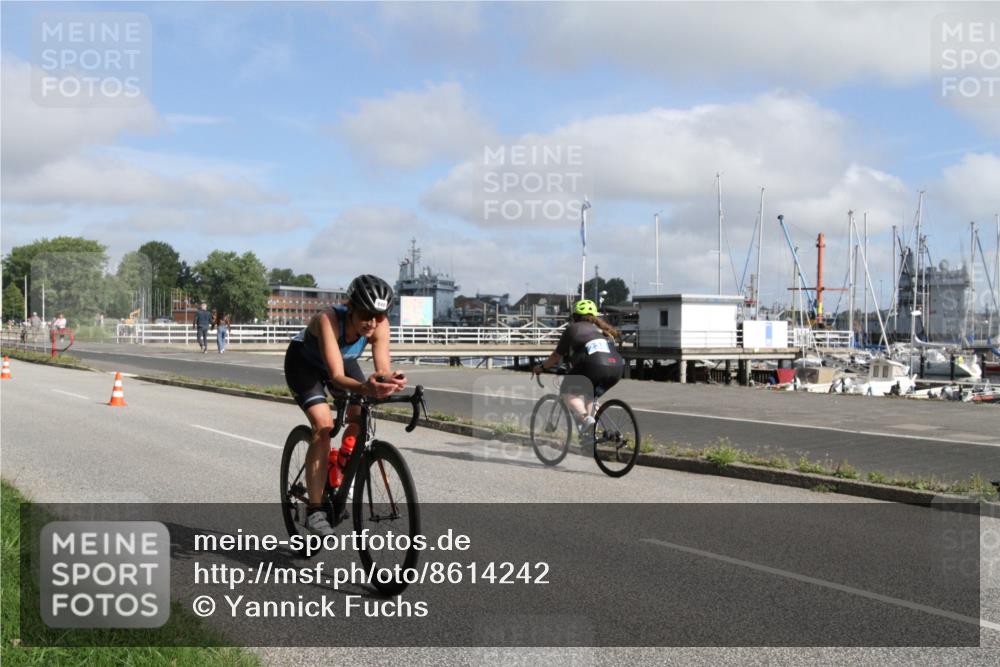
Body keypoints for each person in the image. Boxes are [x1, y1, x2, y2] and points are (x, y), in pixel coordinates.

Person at [284, 274, 406, 536]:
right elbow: (337, 377)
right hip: (304, 365)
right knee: (323, 426)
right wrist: (366, 387)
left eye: (379, 316)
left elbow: (382, 370)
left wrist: (391, 380)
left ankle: (338, 467)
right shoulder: (328, 319)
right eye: (365, 314)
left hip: (341, 361)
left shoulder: (378, 325)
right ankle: (315, 511)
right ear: (350, 307)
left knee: (360, 414)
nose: (372, 322)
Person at [532, 299, 624, 445]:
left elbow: (556, 356)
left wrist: (541, 368)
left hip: (594, 365)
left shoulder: (573, 329)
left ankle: (586, 420)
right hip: (617, 367)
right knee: (590, 396)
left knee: (567, 392)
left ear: (575, 316)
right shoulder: (603, 331)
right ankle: (592, 434)